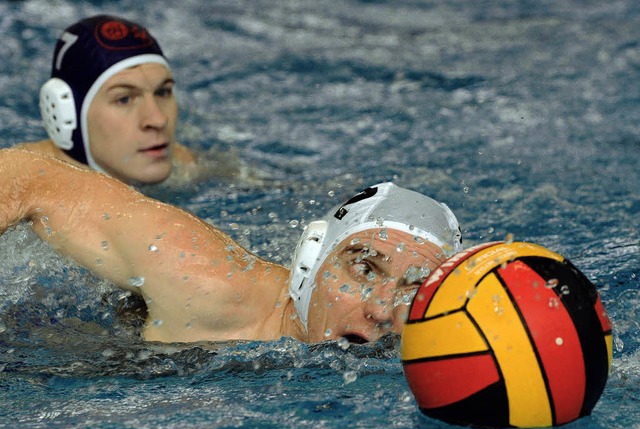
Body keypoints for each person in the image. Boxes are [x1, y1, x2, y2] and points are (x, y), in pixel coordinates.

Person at [0, 149, 462, 344]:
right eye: (364, 270)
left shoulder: (425, 347)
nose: (383, 309)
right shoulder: (203, 277)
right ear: (310, 261)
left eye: (413, 288)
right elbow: (31, 177)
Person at [15, 14, 198, 185]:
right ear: (67, 112)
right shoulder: (17, 182)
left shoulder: (184, 165)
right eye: (124, 99)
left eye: (162, 92)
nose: (158, 120)